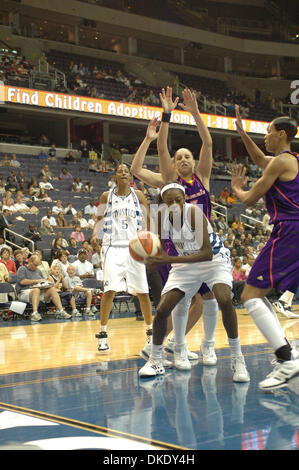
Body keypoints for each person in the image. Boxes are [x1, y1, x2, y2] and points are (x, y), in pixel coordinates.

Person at [131, 88, 219, 365]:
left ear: (194, 162)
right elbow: (160, 148)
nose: (182, 159)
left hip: (202, 246)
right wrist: (166, 115)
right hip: (175, 245)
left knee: (205, 300)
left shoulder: (203, 177)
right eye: (178, 157)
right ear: (172, 163)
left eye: (187, 156)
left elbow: (207, 143)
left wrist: (194, 113)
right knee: (187, 300)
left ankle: (170, 343)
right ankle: (166, 344)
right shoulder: (169, 179)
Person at [139, 183, 249, 382]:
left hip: (213, 260)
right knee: (163, 309)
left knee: (223, 299)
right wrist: (149, 258)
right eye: (169, 201)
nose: (174, 205)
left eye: (178, 201)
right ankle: (155, 360)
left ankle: (237, 358)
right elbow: (161, 250)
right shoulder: (161, 217)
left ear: (185, 200)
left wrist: (167, 259)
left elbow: (206, 253)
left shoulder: (193, 214)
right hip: (185, 264)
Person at [232, 107, 299, 390]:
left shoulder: (281, 161)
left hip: (289, 230)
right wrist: (242, 134)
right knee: (260, 294)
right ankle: (288, 352)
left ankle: (286, 360)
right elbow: (260, 159)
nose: (265, 137)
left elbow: (248, 200)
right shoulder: (289, 160)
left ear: (282, 134)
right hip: (295, 231)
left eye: (269, 133)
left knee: (249, 295)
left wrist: (236, 188)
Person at [92, 163, 153, 355]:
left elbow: (148, 220)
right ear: (115, 176)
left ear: (130, 177)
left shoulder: (139, 195)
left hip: (134, 248)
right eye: (120, 171)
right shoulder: (106, 196)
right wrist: (95, 234)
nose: (124, 172)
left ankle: (151, 336)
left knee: (143, 293)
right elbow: (100, 220)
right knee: (109, 290)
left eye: (126, 170)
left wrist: (149, 239)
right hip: (112, 247)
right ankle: (102, 336)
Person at [16, 255, 71, 321]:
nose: (36, 267)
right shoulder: (22, 269)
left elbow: (42, 281)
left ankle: (61, 311)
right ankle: (34, 313)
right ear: (30, 262)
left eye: (37, 265)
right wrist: (36, 281)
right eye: (35, 265)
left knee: (52, 289)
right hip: (24, 292)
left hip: (39, 291)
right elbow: (22, 282)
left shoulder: (38, 271)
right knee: (36, 290)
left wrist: (47, 283)